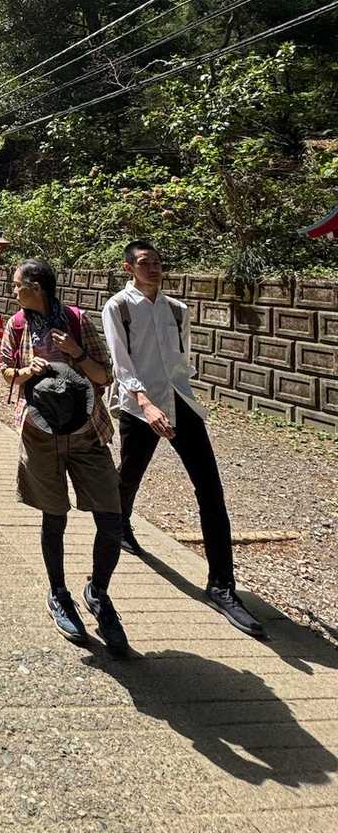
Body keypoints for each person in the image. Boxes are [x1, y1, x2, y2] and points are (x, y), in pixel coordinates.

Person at [103, 240, 264, 638]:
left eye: (157, 262)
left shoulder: (177, 309)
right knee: (131, 474)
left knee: (210, 489)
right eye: (145, 262)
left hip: (180, 402)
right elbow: (121, 363)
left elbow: (180, 360)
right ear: (129, 268)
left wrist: (180, 394)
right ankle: (120, 524)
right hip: (140, 407)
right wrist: (144, 402)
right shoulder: (118, 307)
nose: (153, 268)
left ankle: (222, 585)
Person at [0, 259, 130, 656]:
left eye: (18, 285)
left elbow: (104, 375)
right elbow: (5, 371)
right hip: (41, 433)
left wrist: (75, 352)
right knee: (53, 516)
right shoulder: (17, 325)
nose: (14, 291)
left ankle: (98, 593)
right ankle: (58, 593)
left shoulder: (77, 320)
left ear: (37, 286)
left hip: (87, 431)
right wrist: (26, 371)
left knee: (111, 517)